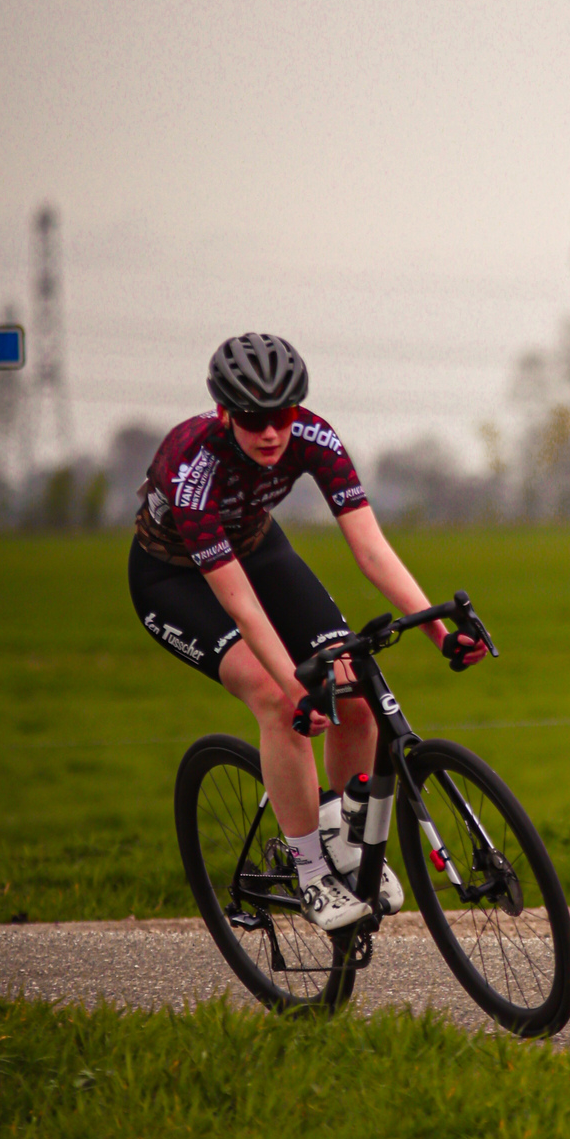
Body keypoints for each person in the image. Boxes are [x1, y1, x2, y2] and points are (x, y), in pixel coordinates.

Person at [129, 332, 484, 937]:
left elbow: (371, 549)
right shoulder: (194, 468)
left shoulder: (315, 437)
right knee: (276, 700)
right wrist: (296, 687)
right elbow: (241, 608)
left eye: (283, 416)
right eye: (252, 419)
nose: (270, 432)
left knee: (354, 691)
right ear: (224, 414)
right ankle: (311, 871)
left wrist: (440, 634)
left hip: (259, 549)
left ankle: (346, 844)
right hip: (175, 582)